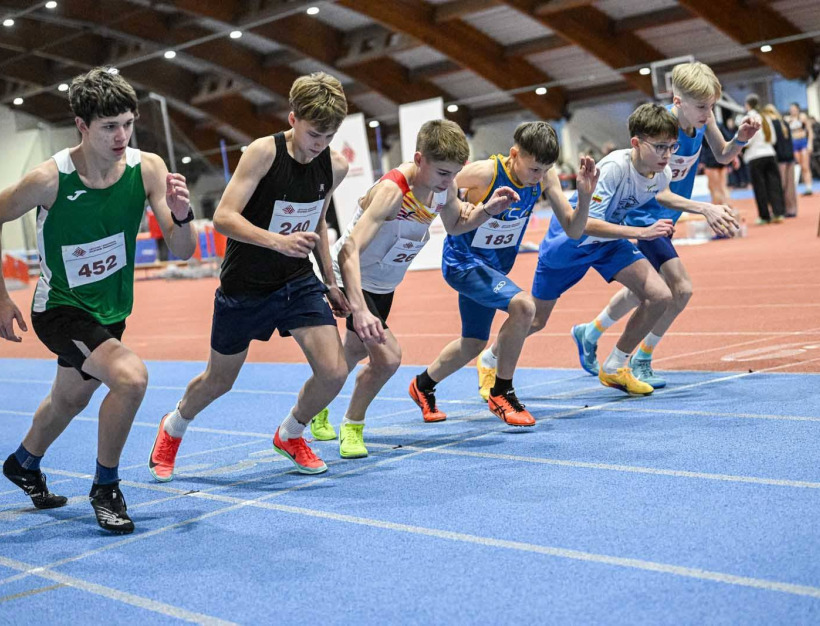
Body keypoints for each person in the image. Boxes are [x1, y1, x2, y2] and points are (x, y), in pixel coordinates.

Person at [0, 67, 197, 533]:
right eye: (109, 127)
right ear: (82, 126)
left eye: (128, 123)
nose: (121, 136)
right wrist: (2, 297)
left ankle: (23, 463)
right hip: (60, 310)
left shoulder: (147, 169)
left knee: (68, 400)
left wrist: (184, 215)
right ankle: (105, 487)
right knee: (130, 379)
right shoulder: (49, 179)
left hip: (111, 310)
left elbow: (184, 250)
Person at [148, 72, 351, 482]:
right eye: (314, 134)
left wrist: (330, 283)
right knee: (219, 380)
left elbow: (318, 221)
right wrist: (277, 241)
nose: (320, 145)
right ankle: (174, 425)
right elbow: (223, 218)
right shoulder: (263, 153)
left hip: (297, 281)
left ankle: (290, 434)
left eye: (329, 136)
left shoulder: (335, 165)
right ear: (293, 119)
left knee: (334, 372)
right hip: (245, 286)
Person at [310, 120, 519, 458]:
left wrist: (487, 210)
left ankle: (317, 403)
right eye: (442, 173)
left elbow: (456, 225)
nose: (449, 181)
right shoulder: (393, 191)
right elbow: (349, 250)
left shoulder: (444, 186)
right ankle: (352, 425)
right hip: (354, 276)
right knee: (387, 357)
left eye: (455, 174)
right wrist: (358, 307)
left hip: (384, 281)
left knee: (355, 350)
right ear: (419, 159)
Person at [571, 62, 757, 389]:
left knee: (645, 290)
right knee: (680, 289)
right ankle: (641, 358)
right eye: (701, 107)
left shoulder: (704, 120)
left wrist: (740, 139)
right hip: (645, 216)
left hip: (667, 215)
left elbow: (723, 155)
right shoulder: (661, 130)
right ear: (677, 101)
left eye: (711, 106)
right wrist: (704, 208)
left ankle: (591, 331)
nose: (708, 113)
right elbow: (656, 188)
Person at [534, 103, 738, 395]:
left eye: (672, 147)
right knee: (535, 319)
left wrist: (703, 209)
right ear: (636, 143)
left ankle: (616, 365)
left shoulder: (662, 174)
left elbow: (663, 194)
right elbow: (584, 225)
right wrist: (641, 232)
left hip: (607, 244)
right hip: (569, 243)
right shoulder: (614, 168)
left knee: (661, 295)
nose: (667, 155)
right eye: (660, 147)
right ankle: (492, 360)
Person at [411, 122, 597, 426]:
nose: (538, 176)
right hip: (464, 263)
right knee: (524, 306)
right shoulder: (486, 172)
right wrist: (457, 205)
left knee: (473, 343)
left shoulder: (545, 177)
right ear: (514, 154)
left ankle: (422, 385)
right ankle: (502, 392)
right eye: (533, 168)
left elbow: (574, 230)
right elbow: (435, 178)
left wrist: (584, 196)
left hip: (492, 268)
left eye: (544, 170)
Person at [743, 95, 786, 225]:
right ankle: (778, 213)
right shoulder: (765, 117)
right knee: (774, 185)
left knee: (759, 187)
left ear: (748, 105)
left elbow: (747, 139)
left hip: (755, 156)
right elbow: (772, 138)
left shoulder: (748, 117)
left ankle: (765, 216)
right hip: (769, 153)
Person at [764, 104, 797, 217]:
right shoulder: (785, 123)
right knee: (790, 186)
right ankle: (791, 209)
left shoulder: (772, 125)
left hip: (779, 158)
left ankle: (779, 209)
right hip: (790, 157)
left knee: (779, 185)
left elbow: (772, 142)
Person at [785, 102, 814, 195]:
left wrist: (810, 144)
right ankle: (795, 187)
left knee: (805, 166)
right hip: (794, 144)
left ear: (798, 109)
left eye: (794, 109)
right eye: (791, 109)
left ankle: (809, 187)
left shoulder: (802, 117)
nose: (792, 111)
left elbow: (810, 131)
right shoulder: (787, 119)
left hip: (803, 142)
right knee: (798, 166)